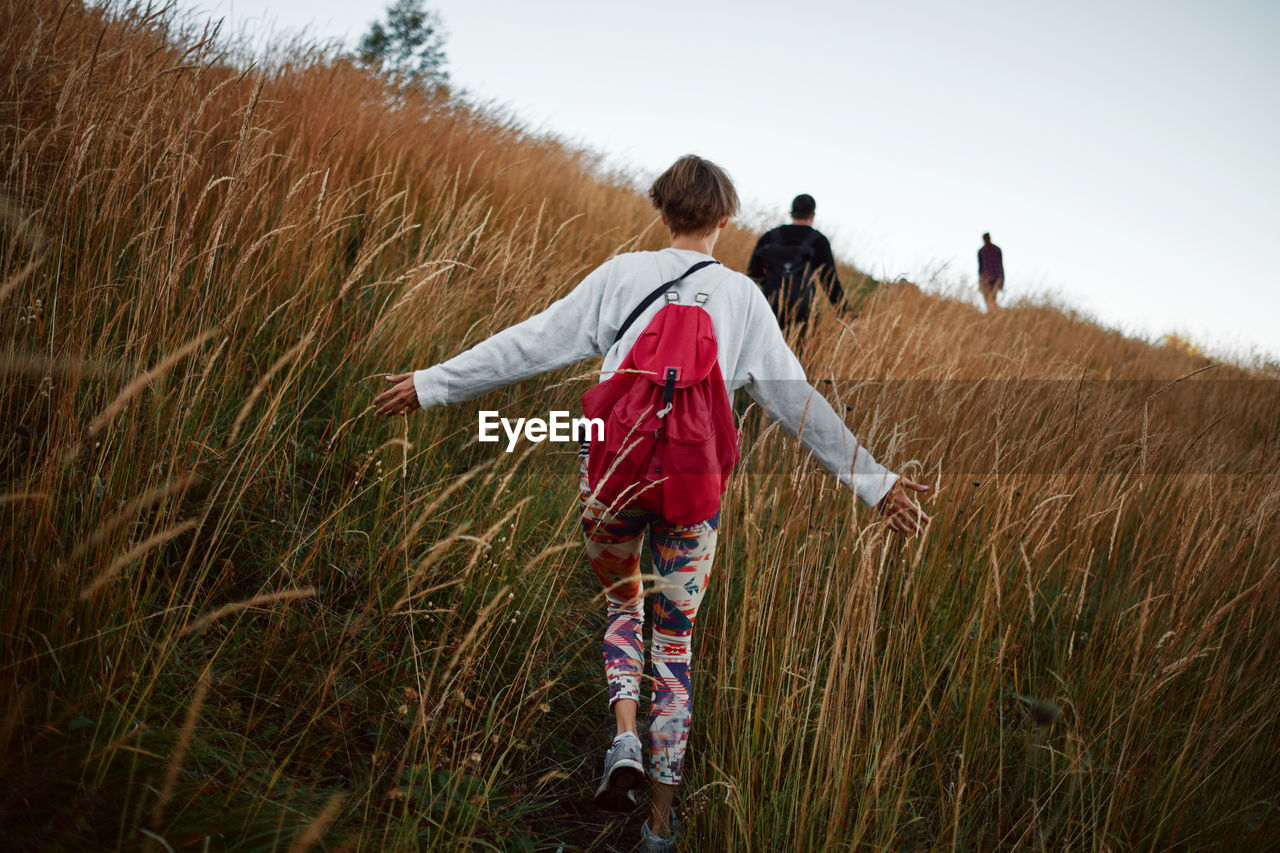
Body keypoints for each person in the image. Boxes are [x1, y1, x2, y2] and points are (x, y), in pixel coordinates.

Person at [372, 155, 931, 852]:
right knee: (674, 643)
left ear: (662, 210)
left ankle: (625, 738)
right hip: (692, 492)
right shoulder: (741, 299)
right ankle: (660, 826)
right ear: (726, 219)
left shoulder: (619, 276)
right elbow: (797, 406)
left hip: (612, 475)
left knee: (621, 604)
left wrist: (433, 383)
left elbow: (532, 342)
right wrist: (875, 483)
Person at [746, 193, 849, 338]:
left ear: (792, 213)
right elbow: (829, 282)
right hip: (803, 313)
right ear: (812, 215)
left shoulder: (770, 236)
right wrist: (847, 314)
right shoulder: (818, 241)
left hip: (769, 308)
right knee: (800, 358)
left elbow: (753, 275)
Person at [978, 232, 1004, 312]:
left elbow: (1001, 264)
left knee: (992, 296)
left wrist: (1002, 278)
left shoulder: (997, 250)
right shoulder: (981, 251)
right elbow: (980, 266)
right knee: (988, 297)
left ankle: (993, 312)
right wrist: (981, 280)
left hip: (996, 277)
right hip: (986, 278)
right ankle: (992, 312)